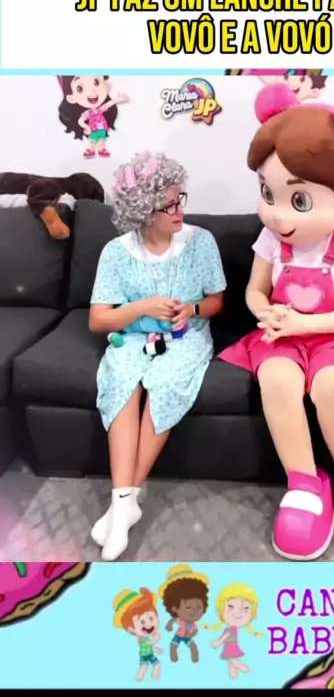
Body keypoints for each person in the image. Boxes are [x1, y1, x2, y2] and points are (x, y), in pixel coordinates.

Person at [219, 83, 334, 561]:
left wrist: (304, 326)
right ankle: (304, 482)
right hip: (282, 334)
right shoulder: (271, 240)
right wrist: (265, 312)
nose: (276, 214)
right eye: (268, 193)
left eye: (298, 200)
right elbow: (254, 291)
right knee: (277, 381)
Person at [89, 150, 226, 561]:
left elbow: (216, 301)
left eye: (179, 199)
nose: (179, 209)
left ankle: (122, 505)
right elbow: (99, 320)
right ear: (144, 212)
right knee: (121, 378)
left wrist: (192, 309)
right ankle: (124, 502)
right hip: (132, 338)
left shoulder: (201, 242)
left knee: (165, 382)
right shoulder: (115, 252)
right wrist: (142, 307)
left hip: (186, 337)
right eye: (168, 205)